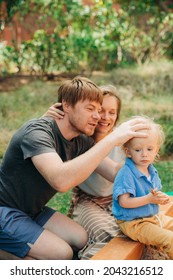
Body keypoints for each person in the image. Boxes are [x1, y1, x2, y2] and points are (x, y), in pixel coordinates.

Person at [0, 76, 149, 260]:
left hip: (32, 211)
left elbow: (113, 172)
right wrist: (113, 138)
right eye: (90, 109)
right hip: (4, 210)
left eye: (98, 109)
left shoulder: (80, 141)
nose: (97, 116)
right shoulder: (37, 133)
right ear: (67, 105)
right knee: (61, 253)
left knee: (80, 238)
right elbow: (61, 181)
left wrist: (144, 157)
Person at [45, 85, 126, 259]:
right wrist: (48, 120)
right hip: (89, 201)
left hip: (120, 199)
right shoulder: (76, 140)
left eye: (112, 112)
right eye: (100, 111)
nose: (104, 117)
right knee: (105, 234)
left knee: (137, 230)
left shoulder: (123, 140)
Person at [112, 116, 173, 259]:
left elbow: (152, 195)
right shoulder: (126, 173)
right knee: (169, 240)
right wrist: (149, 199)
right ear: (128, 152)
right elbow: (124, 202)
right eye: (138, 150)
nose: (145, 154)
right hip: (134, 222)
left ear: (156, 150)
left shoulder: (150, 170)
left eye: (149, 149)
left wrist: (159, 197)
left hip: (152, 217)